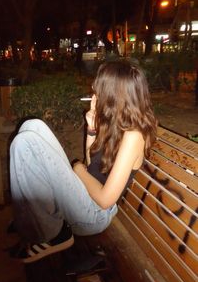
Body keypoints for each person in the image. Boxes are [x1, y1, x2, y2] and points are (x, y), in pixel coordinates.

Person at [9, 61, 157, 263]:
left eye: (99, 89)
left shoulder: (134, 136)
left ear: (114, 95)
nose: (94, 92)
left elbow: (105, 200)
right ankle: (31, 220)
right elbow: (92, 165)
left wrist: (78, 170)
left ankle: (54, 234)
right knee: (33, 126)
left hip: (94, 214)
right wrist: (91, 129)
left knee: (25, 142)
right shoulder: (115, 122)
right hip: (85, 196)